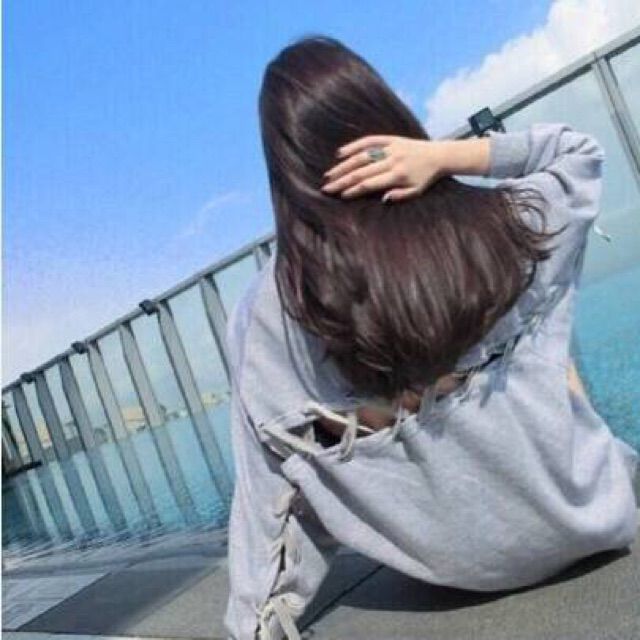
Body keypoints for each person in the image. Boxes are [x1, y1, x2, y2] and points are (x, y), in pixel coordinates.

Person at [223, 35, 639, 640]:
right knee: (547, 347)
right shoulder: (499, 223)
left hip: (458, 572)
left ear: (283, 169)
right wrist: (445, 157)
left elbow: (270, 489)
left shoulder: (273, 309)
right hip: (589, 519)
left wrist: (253, 625)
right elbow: (578, 153)